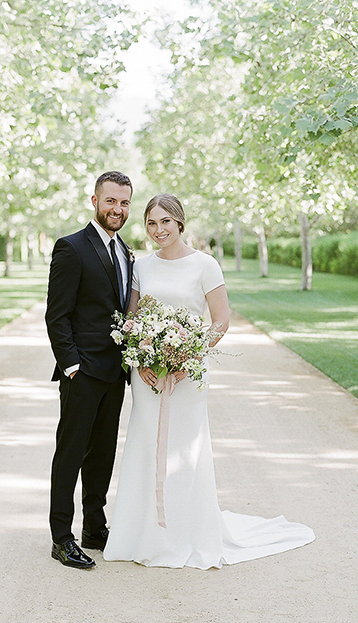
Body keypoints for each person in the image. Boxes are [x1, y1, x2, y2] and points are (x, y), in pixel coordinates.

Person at [103, 194, 315, 569]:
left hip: (188, 375)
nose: (159, 230)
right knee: (144, 444)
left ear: (180, 223)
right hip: (148, 376)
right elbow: (132, 318)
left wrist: (187, 356)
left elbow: (220, 321)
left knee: (186, 449)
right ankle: (140, 535)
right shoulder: (141, 266)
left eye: (166, 221)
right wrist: (142, 361)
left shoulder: (205, 264)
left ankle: (185, 534)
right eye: (152, 223)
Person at [45, 171, 134, 569]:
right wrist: (72, 366)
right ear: (95, 201)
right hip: (82, 374)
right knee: (71, 454)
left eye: (124, 203)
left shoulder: (126, 252)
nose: (118, 209)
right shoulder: (71, 248)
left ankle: (94, 528)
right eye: (111, 201)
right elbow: (57, 316)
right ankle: (61, 538)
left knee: (102, 455)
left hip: (115, 373)